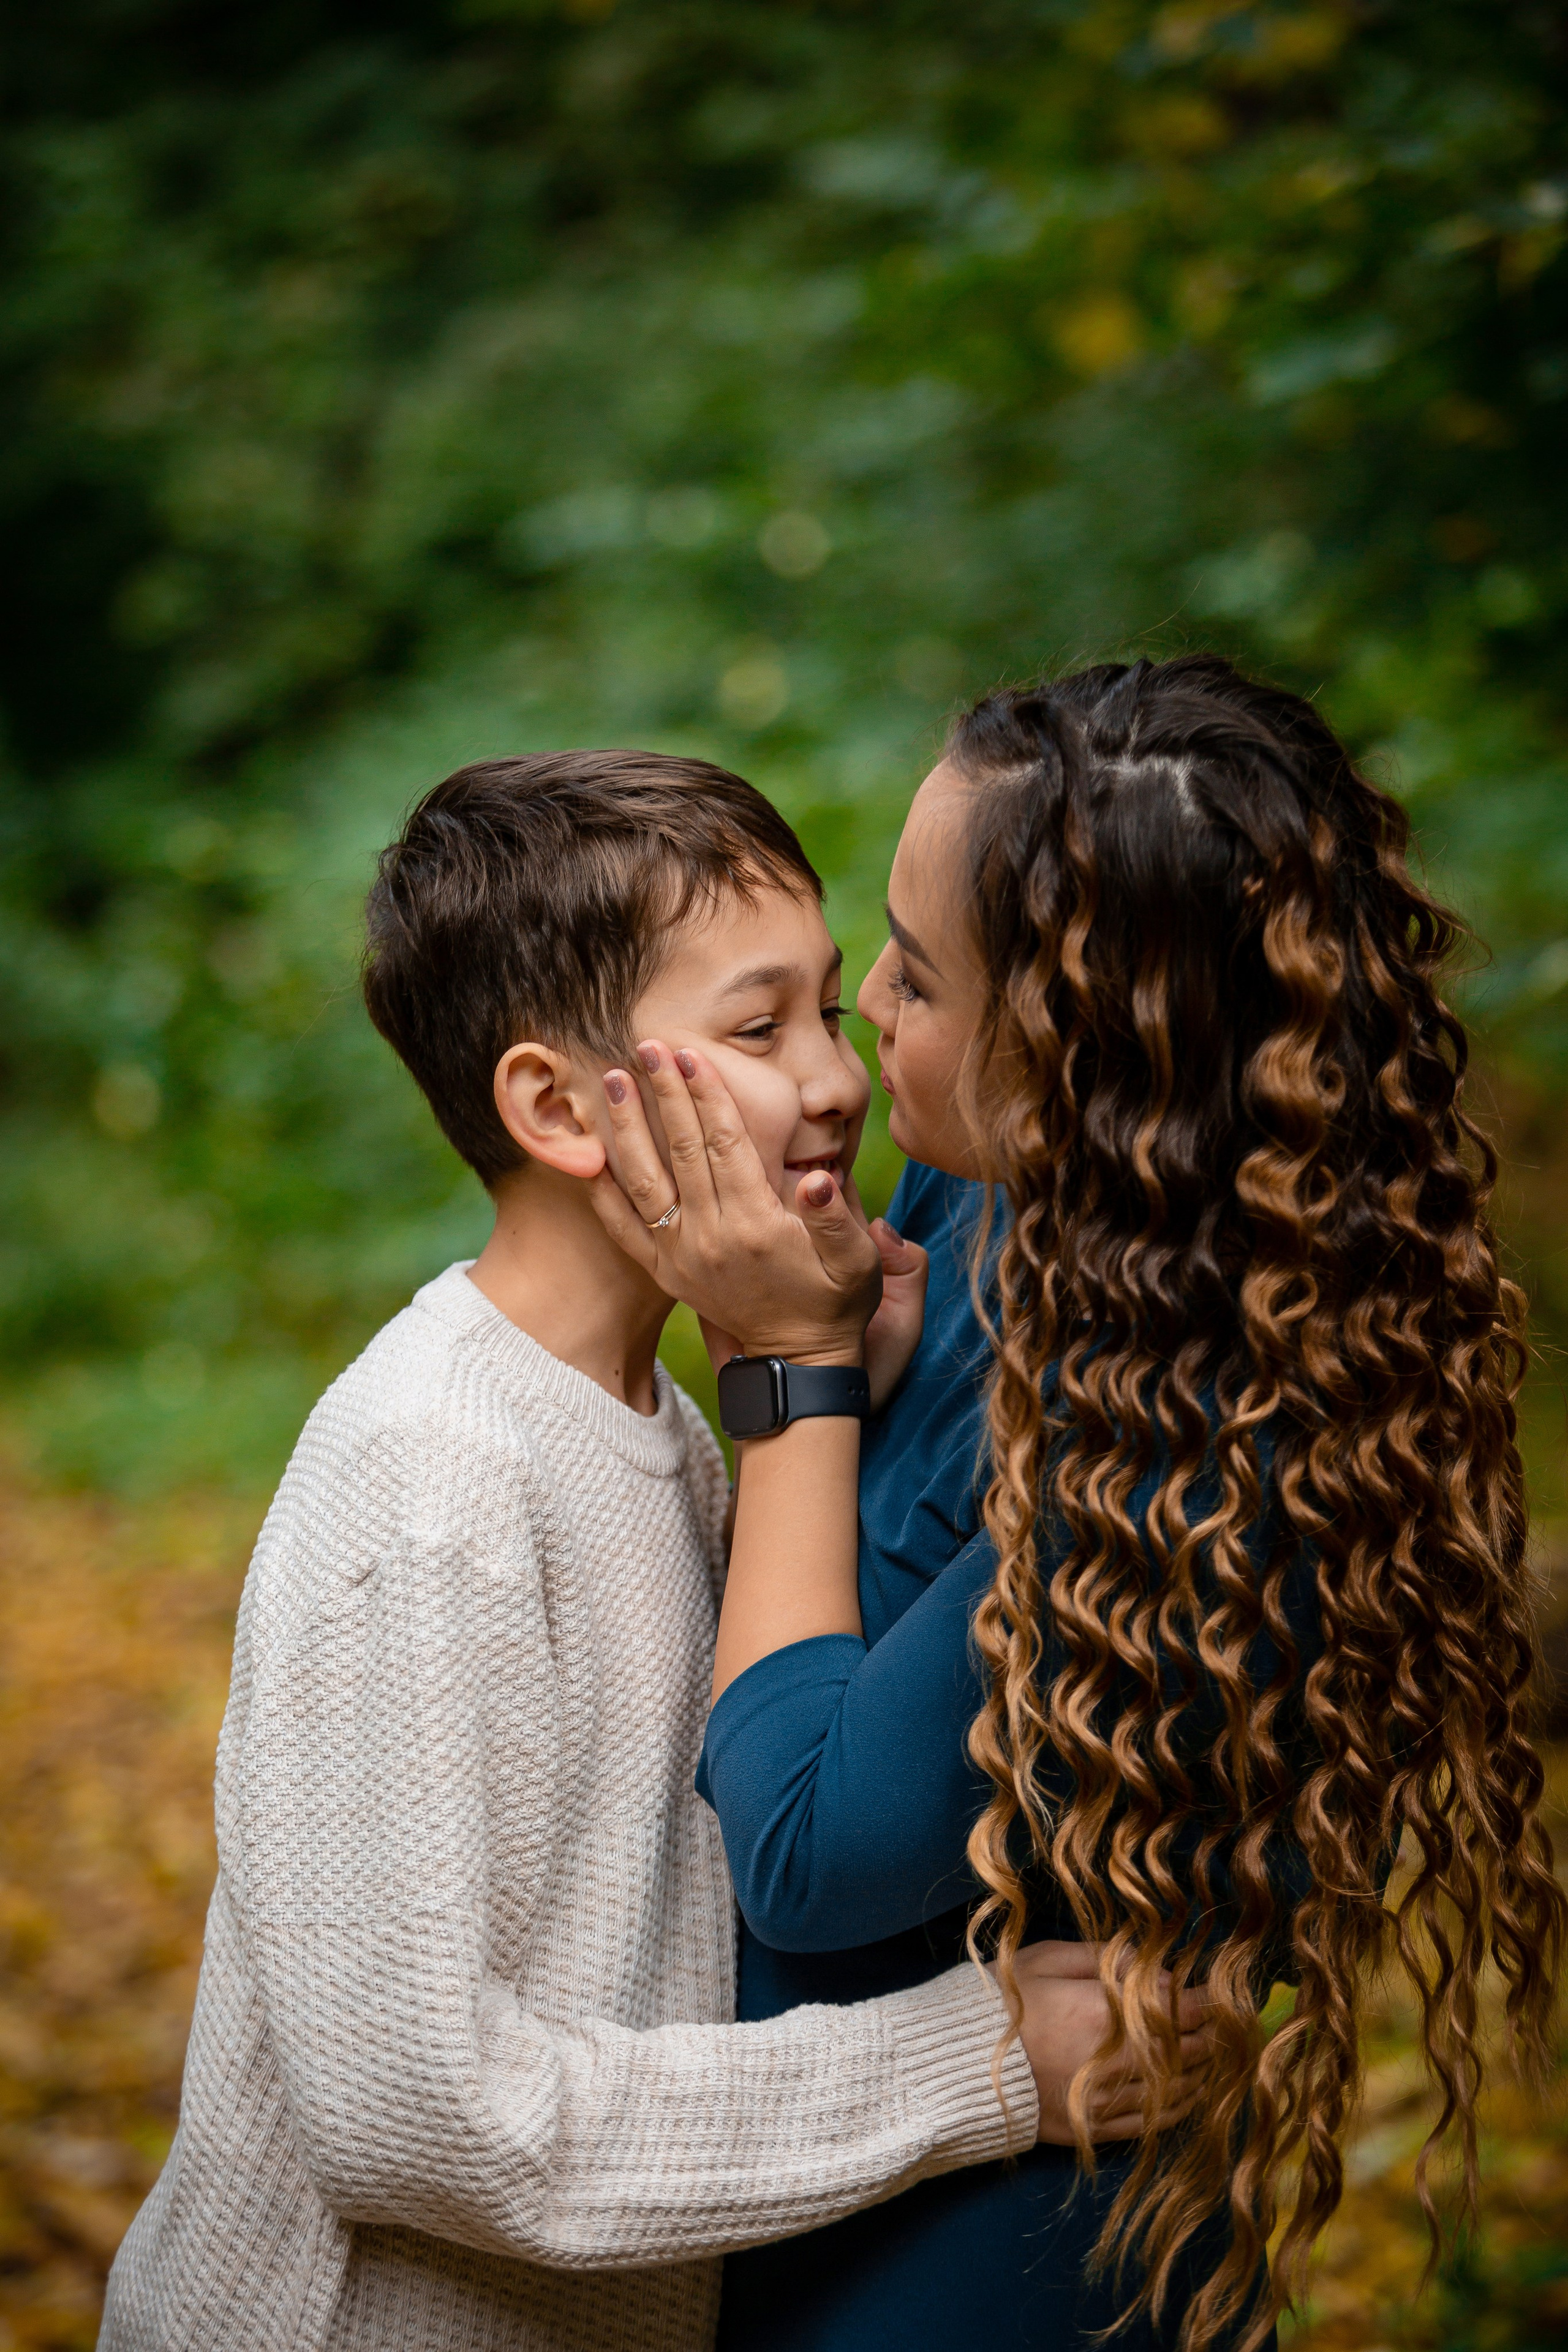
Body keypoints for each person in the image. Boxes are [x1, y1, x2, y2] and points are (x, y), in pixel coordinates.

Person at [97, 750, 1210, 2352]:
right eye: (759, 1031)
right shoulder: (431, 1477)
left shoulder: (664, 1438)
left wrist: (837, 1399)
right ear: (556, 1107)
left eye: (832, 1007)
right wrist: (977, 2067)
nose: (837, 1078)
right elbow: (418, 2118)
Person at [591, 658, 1567, 2352]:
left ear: (1076, 1060)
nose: (873, 1012)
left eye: (921, 976)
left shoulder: (1214, 1427)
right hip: (796, 2188)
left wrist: (787, 1379)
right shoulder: (988, 1200)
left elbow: (811, 1855)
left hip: (979, 2271)